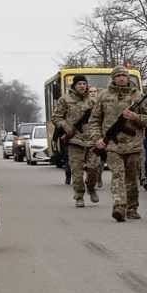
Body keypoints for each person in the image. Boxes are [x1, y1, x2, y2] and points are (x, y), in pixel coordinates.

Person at [95, 66, 147, 222]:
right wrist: (97, 139)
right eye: (118, 75)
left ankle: (132, 207)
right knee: (118, 175)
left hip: (133, 145)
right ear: (113, 78)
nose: (122, 78)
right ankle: (119, 206)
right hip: (113, 145)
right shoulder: (103, 96)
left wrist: (136, 117)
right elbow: (94, 120)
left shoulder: (137, 96)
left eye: (124, 75)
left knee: (131, 178)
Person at [51, 74, 101, 207]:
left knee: (93, 168)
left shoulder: (93, 101)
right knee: (77, 171)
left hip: (91, 139)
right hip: (74, 140)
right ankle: (79, 196)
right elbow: (56, 117)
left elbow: (100, 118)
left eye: (84, 84)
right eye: (79, 84)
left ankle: (91, 188)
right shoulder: (65, 100)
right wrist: (66, 127)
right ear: (74, 85)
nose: (82, 86)